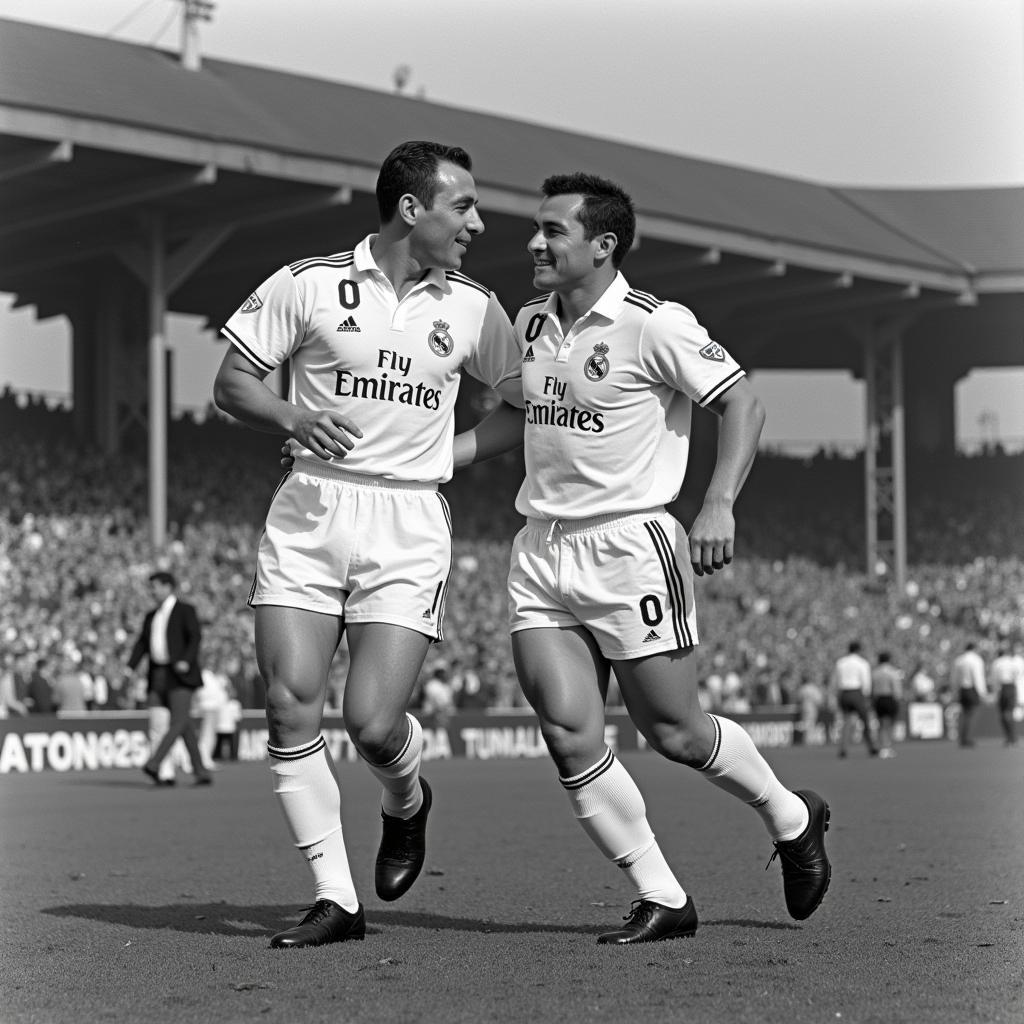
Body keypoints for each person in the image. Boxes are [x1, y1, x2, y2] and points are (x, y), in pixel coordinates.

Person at [499, 173, 830, 944]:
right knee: (567, 731)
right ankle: (662, 895)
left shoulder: (656, 325)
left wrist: (719, 501)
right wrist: (416, 461)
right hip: (542, 548)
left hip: (631, 545)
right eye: (535, 228)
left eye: (552, 230)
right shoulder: (530, 323)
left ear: (603, 245)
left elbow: (742, 401)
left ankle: (791, 815)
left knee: (673, 732)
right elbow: (512, 416)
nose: (534, 243)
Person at [214, 140, 523, 949]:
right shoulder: (307, 283)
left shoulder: (477, 309)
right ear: (411, 208)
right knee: (288, 704)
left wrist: (441, 457)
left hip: (409, 521)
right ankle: (335, 899)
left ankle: (408, 800)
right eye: (465, 207)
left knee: (375, 724)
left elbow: (522, 409)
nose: (479, 224)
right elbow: (232, 382)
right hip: (312, 509)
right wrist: (293, 417)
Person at [126, 571, 212, 786]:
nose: (152, 591)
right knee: (175, 724)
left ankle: (155, 762)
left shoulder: (185, 610)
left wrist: (185, 660)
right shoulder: (151, 616)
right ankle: (200, 771)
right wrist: (130, 667)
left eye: (154, 586)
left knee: (178, 721)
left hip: (180, 674)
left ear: (167, 587)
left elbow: (195, 638)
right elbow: (142, 644)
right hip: (157, 675)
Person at [831, 641, 878, 758]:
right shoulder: (862, 663)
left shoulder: (840, 662)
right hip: (856, 692)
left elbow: (836, 681)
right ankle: (871, 747)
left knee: (846, 721)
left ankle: (843, 748)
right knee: (865, 720)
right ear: (859, 650)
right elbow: (866, 682)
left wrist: (837, 694)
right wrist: (866, 696)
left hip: (844, 693)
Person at [950, 641, 988, 748]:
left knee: (965, 713)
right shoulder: (976, 660)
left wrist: (955, 691)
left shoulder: (959, 660)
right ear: (974, 648)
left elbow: (954, 678)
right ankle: (966, 738)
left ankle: (963, 737)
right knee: (971, 714)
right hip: (972, 689)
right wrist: (982, 693)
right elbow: (978, 677)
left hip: (962, 690)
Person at [870, 651, 903, 758]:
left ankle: (883, 746)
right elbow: (896, 689)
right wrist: (898, 700)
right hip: (889, 698)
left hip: (878, 699)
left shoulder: (875, 672)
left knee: (881, 724)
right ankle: (887, 746)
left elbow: (872, 689)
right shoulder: (892, 672)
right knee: (889, 724)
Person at [989, 644, 1020, 746]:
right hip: (1011, 687)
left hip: (1002, 688)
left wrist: (995, 693)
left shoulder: (996, 663)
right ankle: (1012, 737)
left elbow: (994, 680)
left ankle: (1009, 737)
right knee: (1009, 713)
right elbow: (1017, 674)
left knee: (1004, 713)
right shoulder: (1012, 662)